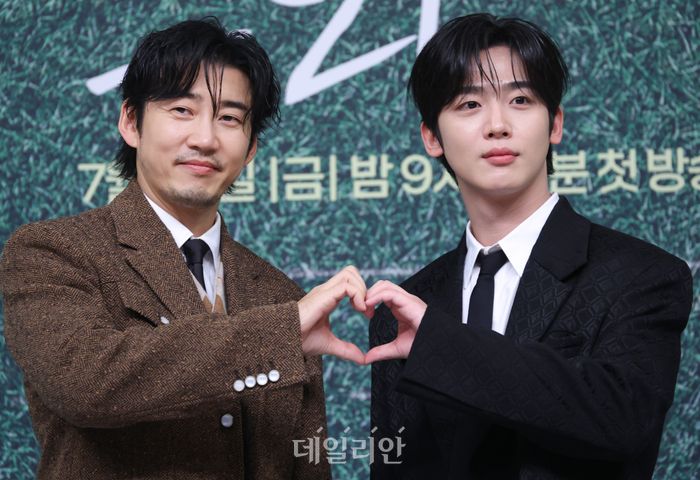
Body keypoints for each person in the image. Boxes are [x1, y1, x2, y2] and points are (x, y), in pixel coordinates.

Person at [0, 18, 369, 479]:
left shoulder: (282, 296)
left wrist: (287, 327)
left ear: (251, 148)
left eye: (229, 118)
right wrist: (280, 333)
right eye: (181, 110)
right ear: (131, 122)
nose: (205, 139)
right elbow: (86, 382)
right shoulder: (53, 252)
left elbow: (305, 467)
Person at [367, 13, 692, 479]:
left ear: (555, 124)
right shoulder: (405, 309)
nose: (498, 125)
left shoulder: (641, 276)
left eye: (520, 100)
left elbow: (621, 419)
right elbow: (395, 464)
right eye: (469, 104)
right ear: (432, 137)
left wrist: (441, 346)